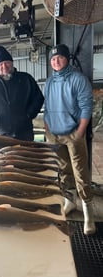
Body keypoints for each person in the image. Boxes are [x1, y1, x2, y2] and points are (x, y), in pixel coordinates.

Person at [44, 43, 95, 235]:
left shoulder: (78, 79)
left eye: (60, 58)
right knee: (63, 169)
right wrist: (47, 127)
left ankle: (88, 211)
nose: (56, 61)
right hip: (54, 134)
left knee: (80, 172)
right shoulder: (49, 82)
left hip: (73, 133)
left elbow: (86, 106)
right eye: (53, 59)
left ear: (67, 59)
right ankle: (70, 201)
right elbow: (47, 106)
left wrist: (80, 131)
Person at [0, 46, 44, 141]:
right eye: (1, 64)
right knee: (2, 156)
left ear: (12, 63)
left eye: (7, 63)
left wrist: (29, 115)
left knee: (25, 155)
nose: (4, 66)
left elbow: (38, 98)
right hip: (1, 133)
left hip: (24, 132)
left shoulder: (26, 79)